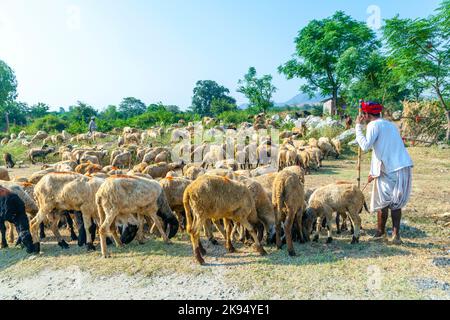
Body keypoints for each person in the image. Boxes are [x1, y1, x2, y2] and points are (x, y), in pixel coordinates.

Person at [356, 101, 414, 245]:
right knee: (396, 203)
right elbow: (384, 148)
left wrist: (358, 127)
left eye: (364, 114)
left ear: (367, 114)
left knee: (383, 202)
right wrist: (373, 171)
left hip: (390, 168)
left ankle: (380, 233)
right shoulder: (390, 125)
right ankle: (396, 235)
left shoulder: (373, 125)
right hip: (403, 166)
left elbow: (365, 146)